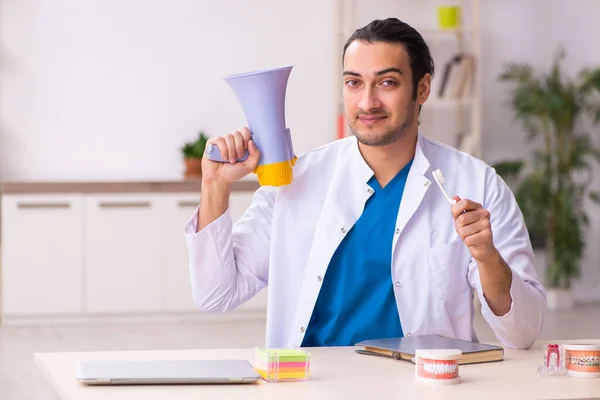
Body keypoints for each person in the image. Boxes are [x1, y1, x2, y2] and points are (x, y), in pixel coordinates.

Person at [184, 17, 546, 350]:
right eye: (354, 83)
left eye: (387, 82)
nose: (367, 101)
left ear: (422, 89)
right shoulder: (295, 181)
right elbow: (215, 295)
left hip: (422, 385)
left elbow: (523, 333)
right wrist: (214, 185)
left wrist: (486, 258)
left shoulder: (477, 183)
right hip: (312, 384)